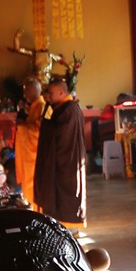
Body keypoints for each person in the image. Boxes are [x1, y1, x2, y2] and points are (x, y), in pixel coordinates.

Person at [33, 76, 87, 229]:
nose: (48, 97)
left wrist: (44, 125)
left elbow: (58, 133)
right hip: (67, 159)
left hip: (66, 162)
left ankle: (67, 227)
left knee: (64, 196)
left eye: (51, 93)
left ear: (62, 92)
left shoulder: (68, 110)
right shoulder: (66, 108)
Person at [13, 74, 45, 206]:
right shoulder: (34, 106)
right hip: (29, 156)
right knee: (28, 188)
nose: (25, 95)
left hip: (35, 156)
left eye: (27, 92)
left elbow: (40, 131)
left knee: (34, 187)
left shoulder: (42, 106)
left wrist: (22, 128)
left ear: (33, 91)